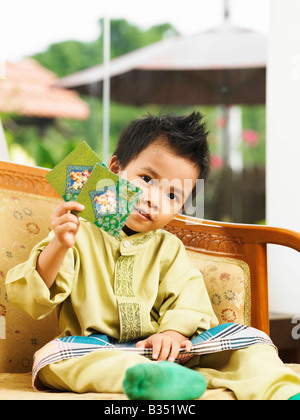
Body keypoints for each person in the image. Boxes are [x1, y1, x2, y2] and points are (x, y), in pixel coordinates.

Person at [5, 112, 300, 400]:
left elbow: (188, 299)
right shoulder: (76, 234)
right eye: (146, 178)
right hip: (94, 351)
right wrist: (58, 244)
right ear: (115, 168)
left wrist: (172, 335)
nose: (153, 199)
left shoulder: (168, 247)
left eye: (172, 196)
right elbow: (31, 296)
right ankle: (150, 381)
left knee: (252, 344)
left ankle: (283, 391)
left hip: (169, 350)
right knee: (54, 360)